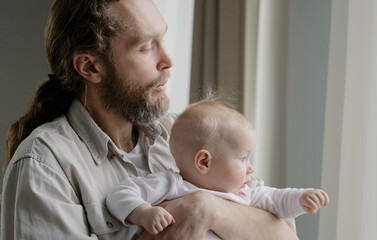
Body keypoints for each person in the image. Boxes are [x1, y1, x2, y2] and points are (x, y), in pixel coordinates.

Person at [1, 0, 300, 239]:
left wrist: (208, 209)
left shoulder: (184, 132)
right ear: (90, 67)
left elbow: (285, 235)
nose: (168, 60)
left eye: (163, 39)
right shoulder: (45, 166)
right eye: (145, 47)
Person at [106, 100, 329, 238]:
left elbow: (278, 200)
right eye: (243, 159)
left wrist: (301, 199)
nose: (250, 169)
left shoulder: (244, 194)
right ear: (204, 162)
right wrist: (143, 213)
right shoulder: (172, 185)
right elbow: (120, 194)